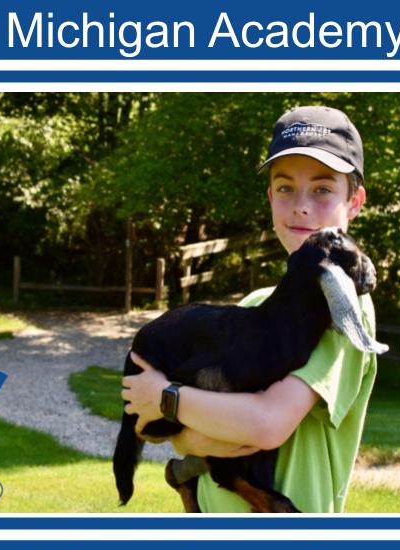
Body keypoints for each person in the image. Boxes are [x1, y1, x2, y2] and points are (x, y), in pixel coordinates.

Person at [121, 105, 378, 512]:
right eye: (285, 188)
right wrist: (202, 421)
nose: (301, 206)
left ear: (355, 202)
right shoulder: (255, 306)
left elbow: (266, 424)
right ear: (269, 196)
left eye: (323, 189)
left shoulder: (343, 310)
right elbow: (184, 438)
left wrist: (166, 398)